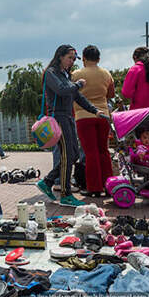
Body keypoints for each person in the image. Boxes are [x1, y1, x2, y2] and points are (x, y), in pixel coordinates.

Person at [36, 45, 104, 207]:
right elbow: (62, 90)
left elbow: (77, 96)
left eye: (74, 58)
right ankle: (66, 194)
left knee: (73, 155)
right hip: (58, 117)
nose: (72, 61)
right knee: (67, 154)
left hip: (67, 117)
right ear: (60, 56)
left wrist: (95, 110)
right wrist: (78, 84)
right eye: (70, 58)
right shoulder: (51, 73)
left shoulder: (65, 74)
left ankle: (48, 181)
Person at [71, 45, 114, 197]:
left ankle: (94, 187)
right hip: (103, 115)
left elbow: (71, 94)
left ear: (83, 58)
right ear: (98, 59)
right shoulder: (106, 74)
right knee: (104, 151)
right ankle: (110, 185)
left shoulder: (76, 74)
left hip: (83, 116)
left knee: (90, 153)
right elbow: (111, 93)